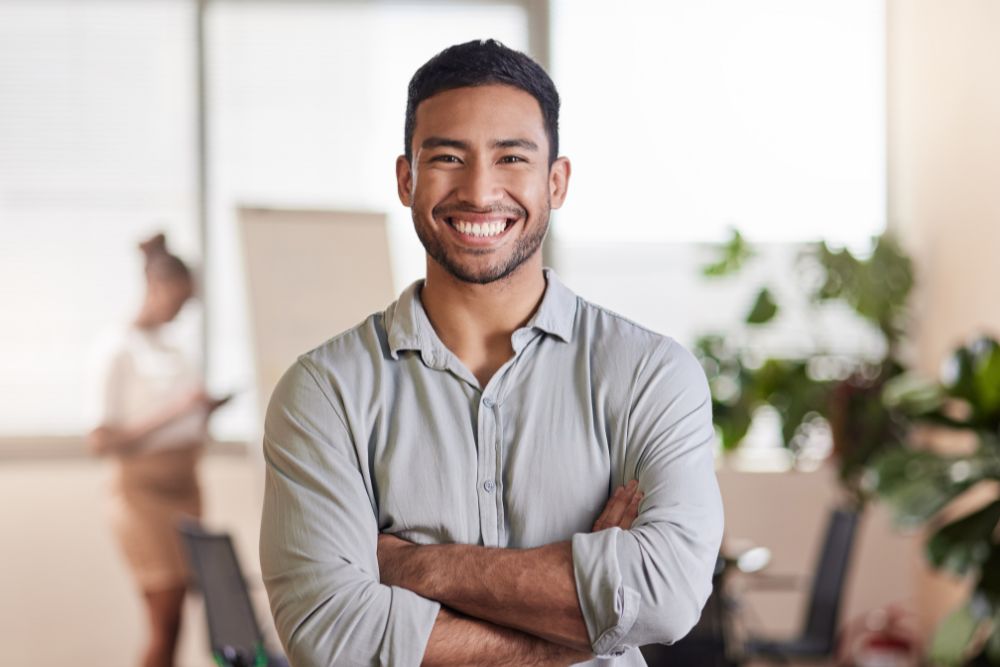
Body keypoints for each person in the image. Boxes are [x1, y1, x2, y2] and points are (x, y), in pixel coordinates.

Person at [260, 39, 724, 666]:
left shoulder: (650, 375)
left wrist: (416, 567)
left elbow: (666, 598)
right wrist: (590, 621)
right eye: (448, 157)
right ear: (406, 179)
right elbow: (333, 638)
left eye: (511, 157)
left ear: (556, 182)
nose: (479, 192)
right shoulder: (324, 391)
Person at [88, 233, 230, 667]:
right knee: (163, 617)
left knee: (182, 615)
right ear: (155, 286)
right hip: (142, 497)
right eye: (178, 299)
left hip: (186, 488)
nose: (181, 310)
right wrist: (176, 411)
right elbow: (101, 440)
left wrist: (202, 412)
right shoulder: (117, 349)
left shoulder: (173, 347)